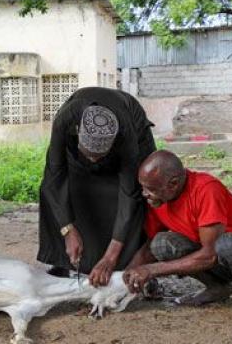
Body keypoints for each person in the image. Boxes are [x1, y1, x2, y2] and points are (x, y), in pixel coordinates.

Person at [123, 150, 232, 321]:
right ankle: (217, 287)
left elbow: (209, 255)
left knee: (226, 244)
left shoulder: (206, 189)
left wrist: (152, 270)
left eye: (150, 189)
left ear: (173, 184)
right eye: (143, 187)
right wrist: (127, 275)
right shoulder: (158, 199)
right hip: (216, 258)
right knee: (161, 244)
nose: (144, 194)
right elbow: (149, 247)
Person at [38, 87, 156, 287]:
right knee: (53, 192)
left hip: (130, 142)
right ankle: (63, 261)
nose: (94, 162)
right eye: (90, 155)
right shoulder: (65, 120)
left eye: (99, 157)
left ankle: (132, 266)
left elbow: (129, 195)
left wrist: (110, 257)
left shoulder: (126, 133)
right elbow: (54, 177)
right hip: (75, 155)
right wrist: (68, 230)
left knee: (141, 192)